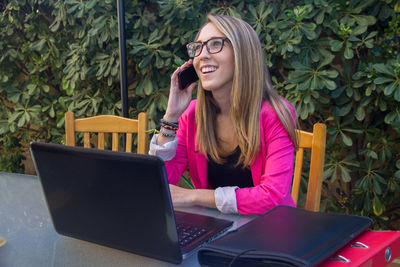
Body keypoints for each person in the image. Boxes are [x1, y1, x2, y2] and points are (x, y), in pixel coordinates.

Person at [149, 14, 298, 215]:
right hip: (218, 228)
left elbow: (273, 197)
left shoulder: (275, 114)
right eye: (198, 47)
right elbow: (159, 184)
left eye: (216, 44)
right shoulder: (192, 115)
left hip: (270, 231)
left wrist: (193, 196)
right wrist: (171, 117)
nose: (202, 55)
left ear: (243, 54)